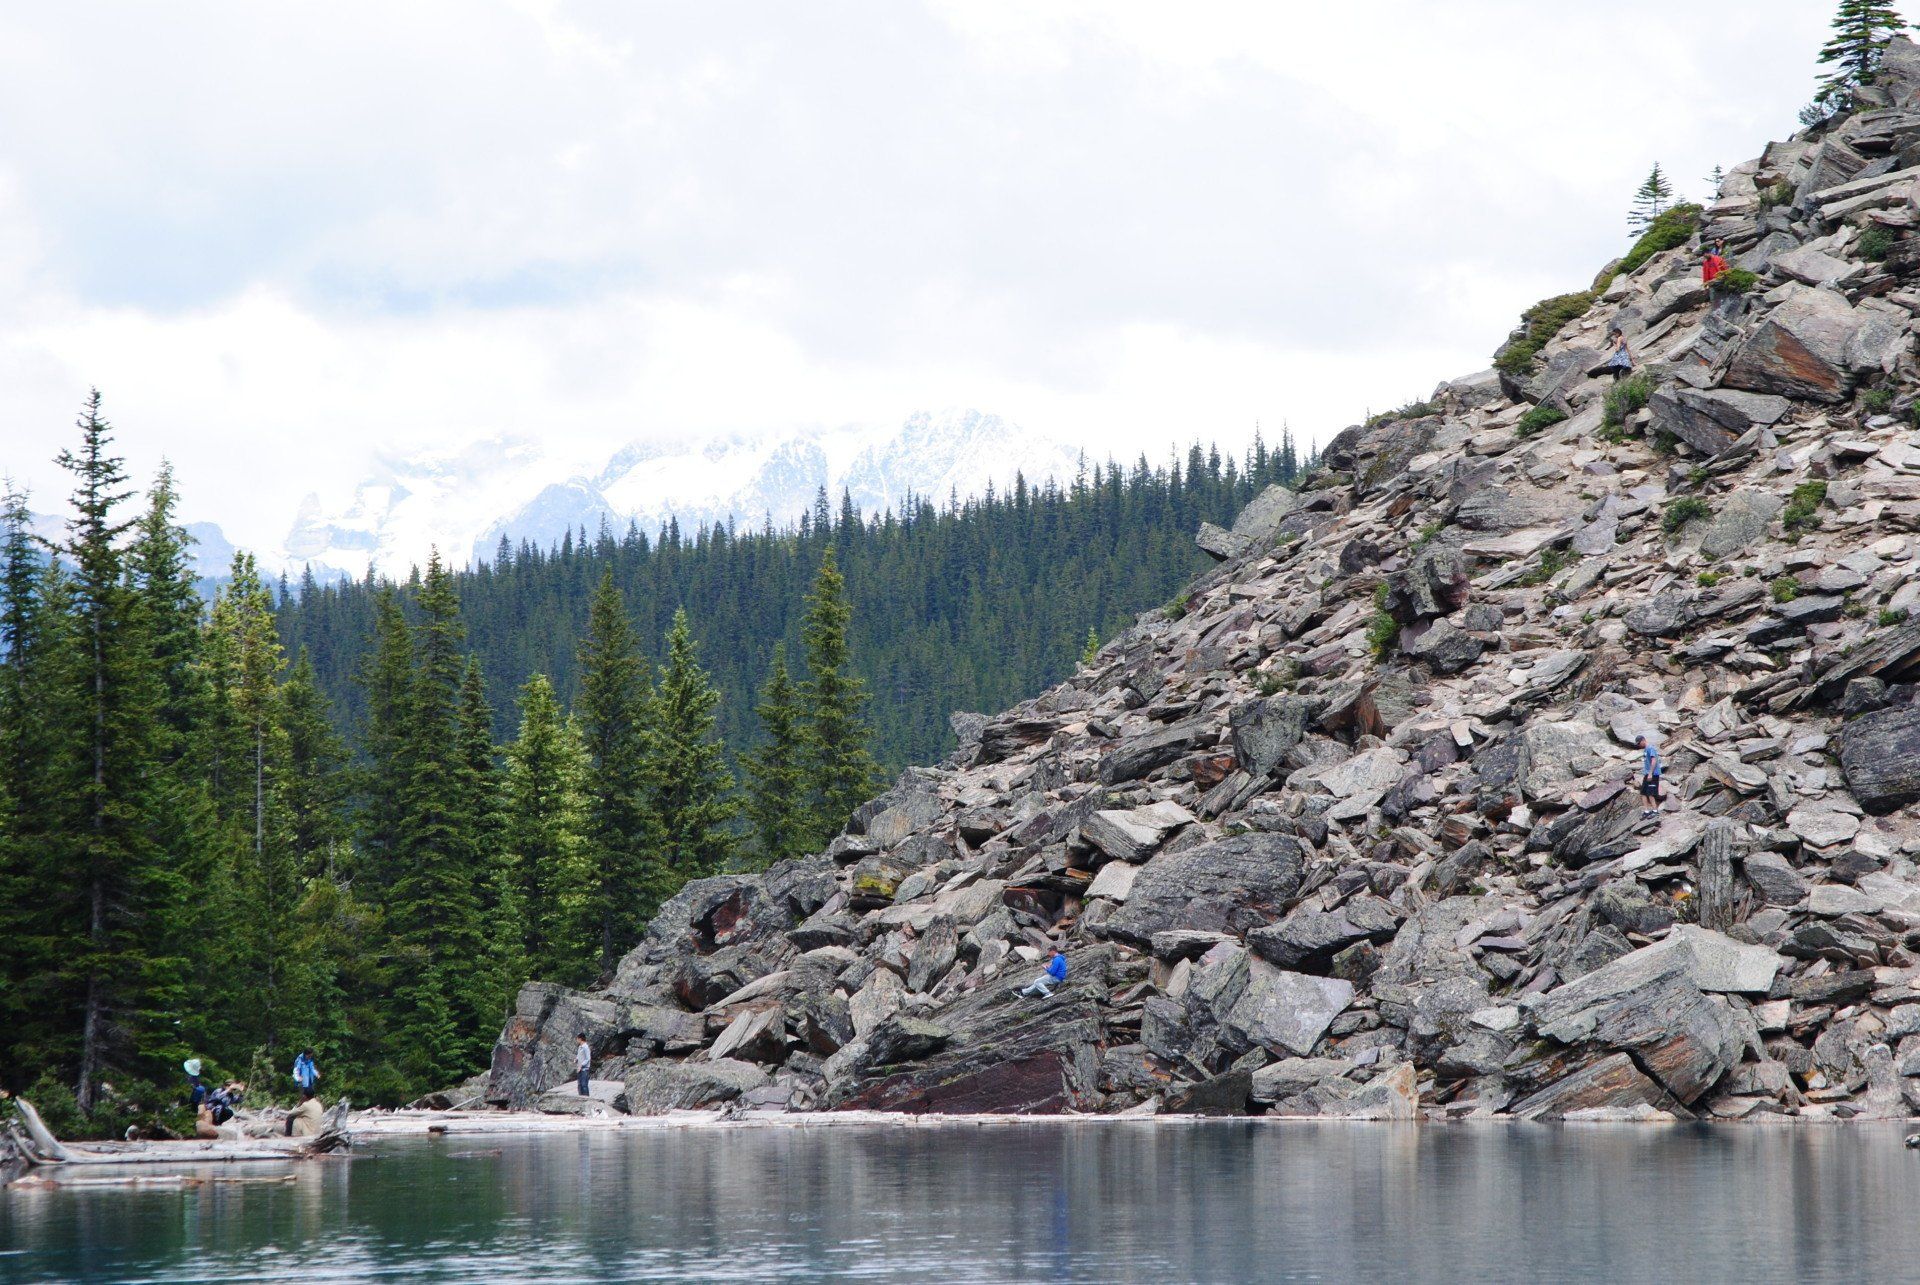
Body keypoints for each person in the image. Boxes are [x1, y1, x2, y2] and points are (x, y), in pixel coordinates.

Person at [1635, 734, 1663, 819]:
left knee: (1650, 793)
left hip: (1653, 774)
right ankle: (1646, 811)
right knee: (1643, 792)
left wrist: (1650, 773)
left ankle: (1655, 811)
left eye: (1639, 743)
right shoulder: (1645, 750)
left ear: (1643, 740)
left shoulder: (1650, 748)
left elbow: (1654, 760)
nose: (1639, 745)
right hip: (1647, 774)